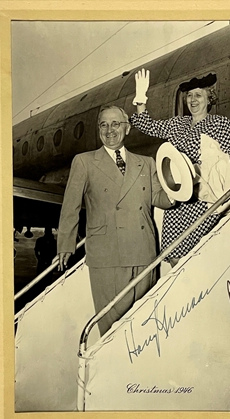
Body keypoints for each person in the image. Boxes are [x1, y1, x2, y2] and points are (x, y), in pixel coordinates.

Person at [57, 105, 173, 336]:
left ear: (127, 128)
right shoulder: (84, 161)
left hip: (144, 252)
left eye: (116, 124)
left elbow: (159, 198)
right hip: (107, 255)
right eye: (104, 124)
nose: (110, 130)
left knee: (144, 327)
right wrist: (65, 245)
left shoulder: (146, 162)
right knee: (112, 330)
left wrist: (181, 186)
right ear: (98, 130)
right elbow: (70, 207)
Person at [130, 69, 230, 267]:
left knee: (199, 257)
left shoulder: (219, 124)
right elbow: (147, 126)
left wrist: (204, 170)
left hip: (202, 199)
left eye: (198, 95)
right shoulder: (178, 124)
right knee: (175, 256)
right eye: (189, 95)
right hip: (177, 200)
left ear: (209, 99)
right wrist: (141, 99)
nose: (192, 100)